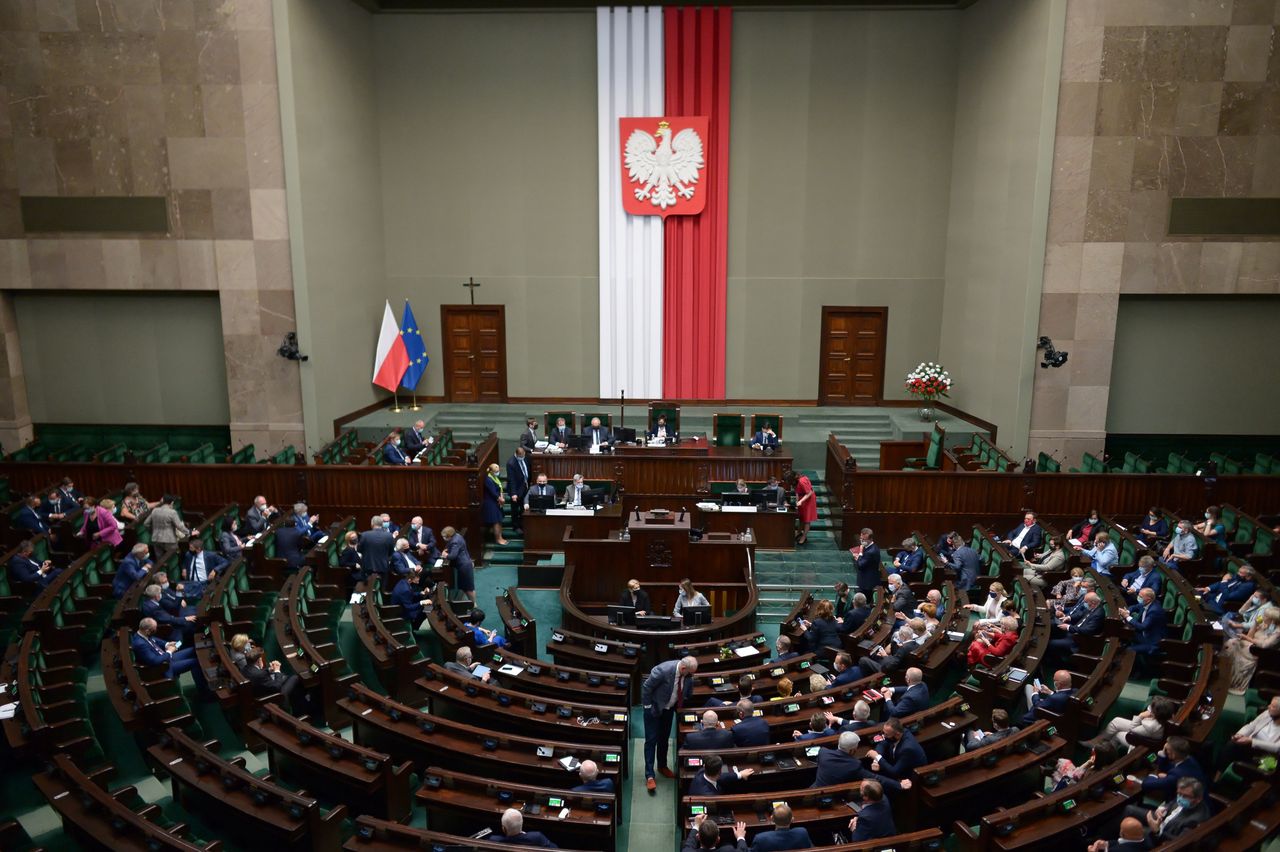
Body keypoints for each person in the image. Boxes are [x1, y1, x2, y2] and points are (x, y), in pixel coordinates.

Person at [641, 655, 698, 792]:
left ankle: (662, 766)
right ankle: (649, 775)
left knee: (664, 739)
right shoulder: (663, 670)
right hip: (654, 709)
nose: (691, 676)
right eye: (690, 673)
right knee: (651, 740)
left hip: (669, 710)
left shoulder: (688, 675)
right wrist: (647, 706)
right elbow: (647, 687)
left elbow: (687, 691)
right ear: (683, 668)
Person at [130, 617, 208, 694]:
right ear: (147, 631)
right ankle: (204, 693)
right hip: (164, 667)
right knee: (195, 663)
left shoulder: (142, 633)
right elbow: (155, 661)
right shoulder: (140, 644)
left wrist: (167, 644)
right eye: (154, 629)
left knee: (193, 649)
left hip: (166, 657)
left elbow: (154, 640)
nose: (156, 630)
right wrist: (169, 652)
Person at [811, 731, 906, 792]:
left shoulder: (823, 752)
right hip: (835, 796)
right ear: (852, 751)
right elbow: (876, 778)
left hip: (814, 789)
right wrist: (899, 785)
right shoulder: (854, 765)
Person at [1127, 777, 1210, 843]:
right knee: (1129, 809)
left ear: (1198, 799)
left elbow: (1179, 842)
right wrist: (1163, 808)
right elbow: (1172, 803)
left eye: (1185, 796)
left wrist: (1157, 831)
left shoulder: (1195, 820)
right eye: (1179, 794)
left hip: (1160, 838)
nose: (1180, 798)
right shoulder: (1185, 797)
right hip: (1161, 820)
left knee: (1128, 831)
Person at [1223, 606, 1280, 694]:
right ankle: (1223, 673)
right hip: (1252, 647)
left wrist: (1246, 638)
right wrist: (1255, 624)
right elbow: (1249, 636)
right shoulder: (1265, 624)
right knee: (1232, 642)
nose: (1263, 617)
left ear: (1272, 620)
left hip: (1262, 654)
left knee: (1233, 643)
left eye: (1265, 616)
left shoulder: (1277, 633)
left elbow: (1264, 645)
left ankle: (1231, 681)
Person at [1139, 736, 1207, 802]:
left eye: (1167, 750)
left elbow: (1146, 784)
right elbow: (1167, 768)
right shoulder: (1190, 759)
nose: (1165, 750)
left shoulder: (1175, 776)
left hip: (1187, 804)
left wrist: (1153, 775)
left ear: (1173, 755)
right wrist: (1163, 754)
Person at [240, 646, 305, 713]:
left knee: (285, 677)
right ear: (259, 660)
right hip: (271, 696)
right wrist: (277, 671)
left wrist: (269, 669)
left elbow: (258, 673)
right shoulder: (260, 675)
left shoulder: (245, 669)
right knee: (295, 677)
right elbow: (276, 687)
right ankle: (299, 706)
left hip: (258, 691)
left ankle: (295, 700)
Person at [1101, 696, 1177, 751]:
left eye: (1152, 710)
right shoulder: (1167, 716)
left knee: (1117, 735)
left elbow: (1132, 731)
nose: (1150, 709)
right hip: (1145, 731)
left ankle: (1106, 751)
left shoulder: (1151, 726)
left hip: (1139, 742)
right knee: (1116, 721)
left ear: (1157, 714)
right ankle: (1101, 740)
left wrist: (1140, 716)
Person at [1047, 591, 1104, 659]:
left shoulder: (1098, 614)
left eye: (1086, 602)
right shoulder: (1092, 607)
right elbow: (1080, 614)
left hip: (1078, 641)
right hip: (1074, 632)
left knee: (1050, 643)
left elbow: (1087, 630)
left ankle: (1054, 662)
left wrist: (1069, 627)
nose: (1084, 603)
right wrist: (1069, 618)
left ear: (1093, 602)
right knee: (1054, 626)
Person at [857, 624, 921, 677]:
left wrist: (885, 656)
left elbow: (889, 667)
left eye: (899, 635)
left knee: (863, 660)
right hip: (901, 664)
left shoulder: (903, 648)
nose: (898, 637)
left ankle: (868, 679)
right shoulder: (917, 644)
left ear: (904, 636)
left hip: (892, 672)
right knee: (875, 656)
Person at [1121, 588, 1167, 658]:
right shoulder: (1147, 603)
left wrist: (1127, 617)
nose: (1138, 598)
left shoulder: (1154, 611)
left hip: (1152, 642)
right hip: (1143, 634)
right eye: (1138, 595)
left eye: (1140, 597)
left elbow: (1142, 627)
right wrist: (1127, 611)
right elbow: (1134, 607)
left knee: (1129, 650)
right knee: (1124, 633)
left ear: (1148, 599)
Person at [142, 495, 188, 565]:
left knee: (160, 562)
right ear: (172, 503)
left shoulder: (155, 510)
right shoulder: (172, 512)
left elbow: (146, 523)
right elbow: (179, 526)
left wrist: (152, 531)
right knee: (173, 559)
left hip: (156, 539)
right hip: (169, 540)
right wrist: (189, 532)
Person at [745, 804, 811, 852]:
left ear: (772, 819)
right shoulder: (802, 833)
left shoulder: (760, 839)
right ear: (792, 820)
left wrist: (741, 838)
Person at [688, 753, 753, 796]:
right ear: (719, 773)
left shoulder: (701, 771)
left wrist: (740, 774)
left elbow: (722, 777)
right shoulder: (709, 795)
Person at [440, 525, 475, 603]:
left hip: (464, 566)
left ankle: (473, 603)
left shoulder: (455, 542)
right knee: (466, 587)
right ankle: (472, 603)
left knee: (468, 588)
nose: (443, 538)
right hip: (465, 563)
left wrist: (445, 555)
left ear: (450, 536)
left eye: (445, 537)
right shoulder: (458, 536)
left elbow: (452, 556)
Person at [489, 807, 557, 847]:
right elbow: (555, 848)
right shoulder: (537, 837)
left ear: (503, 829)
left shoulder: (493, 840)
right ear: (522, 823)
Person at [359, 515, 396, 579]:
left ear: (372, 524)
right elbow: (391, 552)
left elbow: (359, 549)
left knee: (368, 585)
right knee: (382, 585)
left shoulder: (364, 535)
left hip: (368, 567)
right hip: (383, 566)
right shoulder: (389, 536)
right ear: (382, 524)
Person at [683, 815, 747, 852]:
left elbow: (689, 845)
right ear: (718, 839)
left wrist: (696, 826)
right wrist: (740, 837)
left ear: (698, 837)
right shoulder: (728, 850)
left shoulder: (687, 851)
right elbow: (743, 850)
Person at [1087, 816, 1151, 852]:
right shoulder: (1149, 841)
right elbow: (1122, 842)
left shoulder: (1115, 850)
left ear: (1122, 834)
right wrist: (1106, 844)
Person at [506, 447, 530, 534]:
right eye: (521, 456)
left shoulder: (525, 458)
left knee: (523, 508)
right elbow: (511, 479)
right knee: (515, 510)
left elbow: (527, 470)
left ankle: (523, 524)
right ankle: (515, 526)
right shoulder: (511, 463)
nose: (522, 457)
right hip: (516, 489)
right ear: (516, 454)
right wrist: (514, 493)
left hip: (524, 486)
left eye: (523, 455)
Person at [850, 528, 881, 594]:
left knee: (865, 598)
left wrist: (860, 554)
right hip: (864, 578)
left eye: (864, 539)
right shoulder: (869, 546)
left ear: (870, 539)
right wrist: (859, 557)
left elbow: (860, 565)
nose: (862, 541)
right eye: (861, 538)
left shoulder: (871, 551)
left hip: (867, 583)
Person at [789, 471, 816, 545]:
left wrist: (801, 501)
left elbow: (809, 492)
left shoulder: (802, 481)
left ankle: (803, 537)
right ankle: (798, 533)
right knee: (801, 517)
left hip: (809, 500)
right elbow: (797, 492)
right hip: (802, 498)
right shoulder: (796, 481)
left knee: (807, 520)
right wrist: (797, 500)